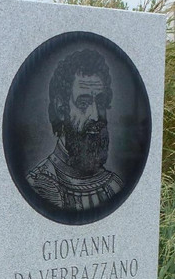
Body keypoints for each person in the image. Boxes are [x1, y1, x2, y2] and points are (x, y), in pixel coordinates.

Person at [27, 48, 124, 212]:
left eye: (100, 103)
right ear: (61, 108)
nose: (95, 116)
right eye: (83, 103)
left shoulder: (114, 186)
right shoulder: (40, 185)